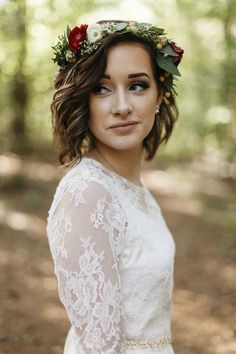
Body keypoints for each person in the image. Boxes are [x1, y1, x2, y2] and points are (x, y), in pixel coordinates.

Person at [47, 20, 184, 354]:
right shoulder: (88, 192)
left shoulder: (132, 188)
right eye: (101, 88)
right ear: (83, 99)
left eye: (137, 85)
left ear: (158, 95)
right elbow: (99, 346)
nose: (122, 106)